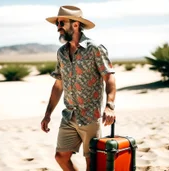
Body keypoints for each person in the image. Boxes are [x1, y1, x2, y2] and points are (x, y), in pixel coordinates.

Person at [41, 5, 116, 171]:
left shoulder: (95, 48)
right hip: (69, 115)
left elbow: (109, 77)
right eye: (57, 24)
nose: (58, 28)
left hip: (90, 116)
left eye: (61, 23)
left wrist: (110, 106)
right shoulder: (61, 53)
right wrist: (47, 114)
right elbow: (58, 84)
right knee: (60, 157)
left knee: (92, 164)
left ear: (75, 24)